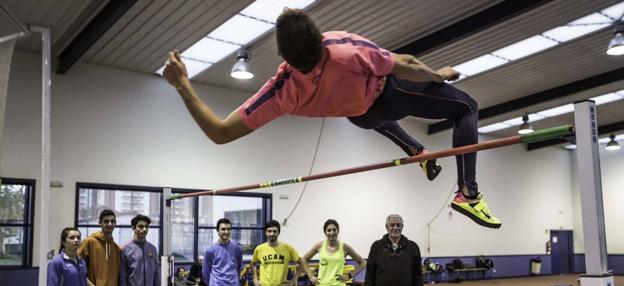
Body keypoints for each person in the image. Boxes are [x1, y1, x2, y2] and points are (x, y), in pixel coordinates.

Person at [162, 8, 500, 229]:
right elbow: (407, 63)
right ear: (320, 40)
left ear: (283, 56)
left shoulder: (281, 91)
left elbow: (220, 132)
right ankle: (468, 192)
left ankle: (417, 152)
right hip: (392, 96)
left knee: (370, 115)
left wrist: (182, 85)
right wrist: (437, 76)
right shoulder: (343, 48)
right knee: (466, 107)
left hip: (361, 117)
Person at [78, 209, 121, 286]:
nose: (109, 224)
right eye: (106, 221)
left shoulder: (116, 248)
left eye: (112, 221)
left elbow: (115, 275)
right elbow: (76, 266)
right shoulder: (89, 242)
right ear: (100, 223)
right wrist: (89, 285)